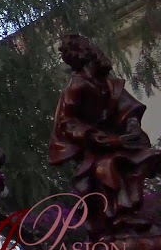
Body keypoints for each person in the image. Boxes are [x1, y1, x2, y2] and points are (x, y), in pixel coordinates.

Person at [49, 34, 161, 235]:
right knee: (107, 166)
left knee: (147, 157)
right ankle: (117, 217)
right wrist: (98, 137)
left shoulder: (110, 84)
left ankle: (130, 212)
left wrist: (133, 126)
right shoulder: (76, 85)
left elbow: (128, 108)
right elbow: (68, 122)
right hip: (95, 148)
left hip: (119, 142)